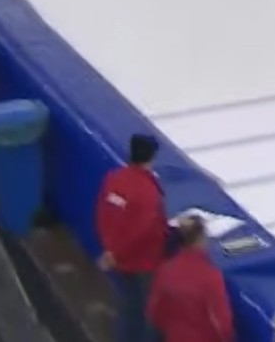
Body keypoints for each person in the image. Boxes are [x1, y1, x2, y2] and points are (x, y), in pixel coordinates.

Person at [98, 134, 168, 342]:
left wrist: (110, 249)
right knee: (148, 312)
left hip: (121, 259)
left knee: (128, 305)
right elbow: (142, 229)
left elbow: (104, 213)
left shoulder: (115, 179)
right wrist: (115, 252)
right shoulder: (147, 191)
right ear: (152, 156)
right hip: (143, 261)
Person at [147, 217, 235, 342]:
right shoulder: (210, 277)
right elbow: (222, 323)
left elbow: (155, 311)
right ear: (200, 240)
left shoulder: (166, 270)